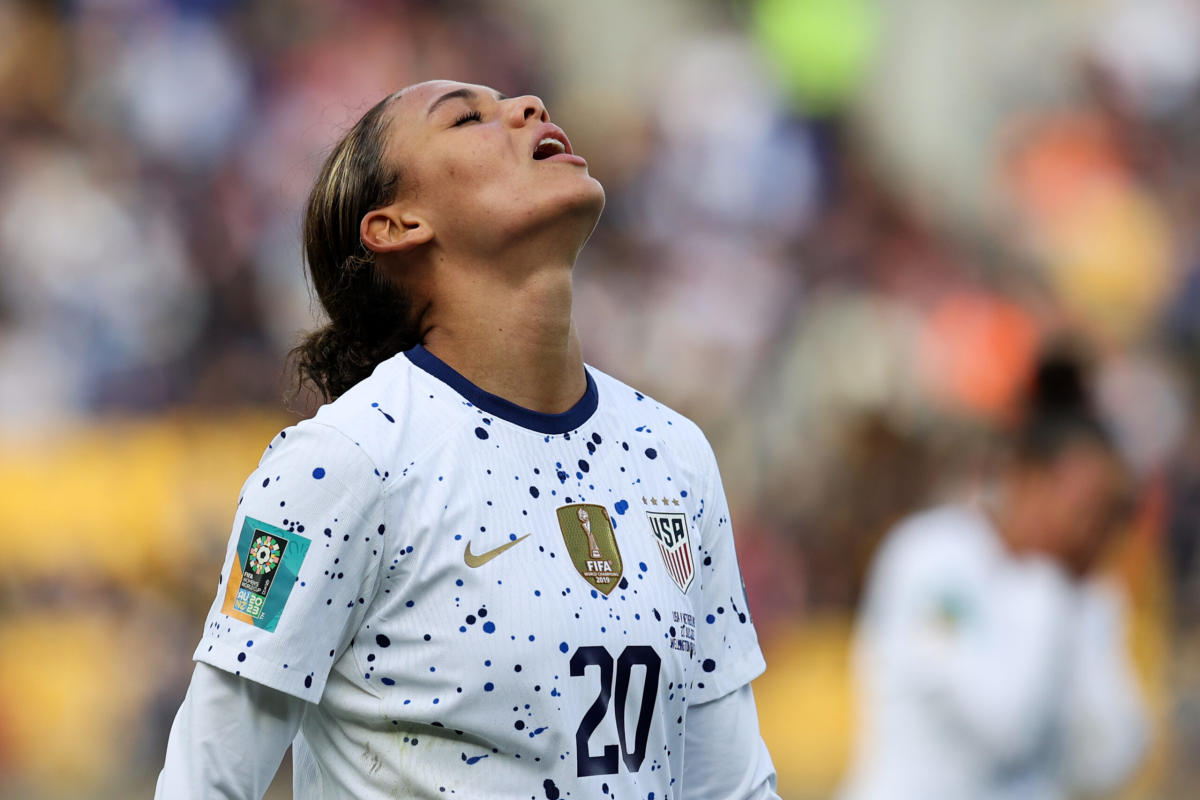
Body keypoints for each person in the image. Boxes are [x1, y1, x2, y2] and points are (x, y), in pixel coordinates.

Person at [155, 80, 780, 799]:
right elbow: (206, 783)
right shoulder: (346, 464)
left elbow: (731, 786)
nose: (529, 108)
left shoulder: (675, 456)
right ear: (397, 225)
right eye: (467, 117)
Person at [838, 352, 1149, 800]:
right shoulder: (931, 558)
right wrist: (1052, 593)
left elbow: (1115, 754)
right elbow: (1004, 719)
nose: (1096, 535)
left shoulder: (1087, 594)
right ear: (1026, 480)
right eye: (1086, 511)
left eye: (1111, 517)